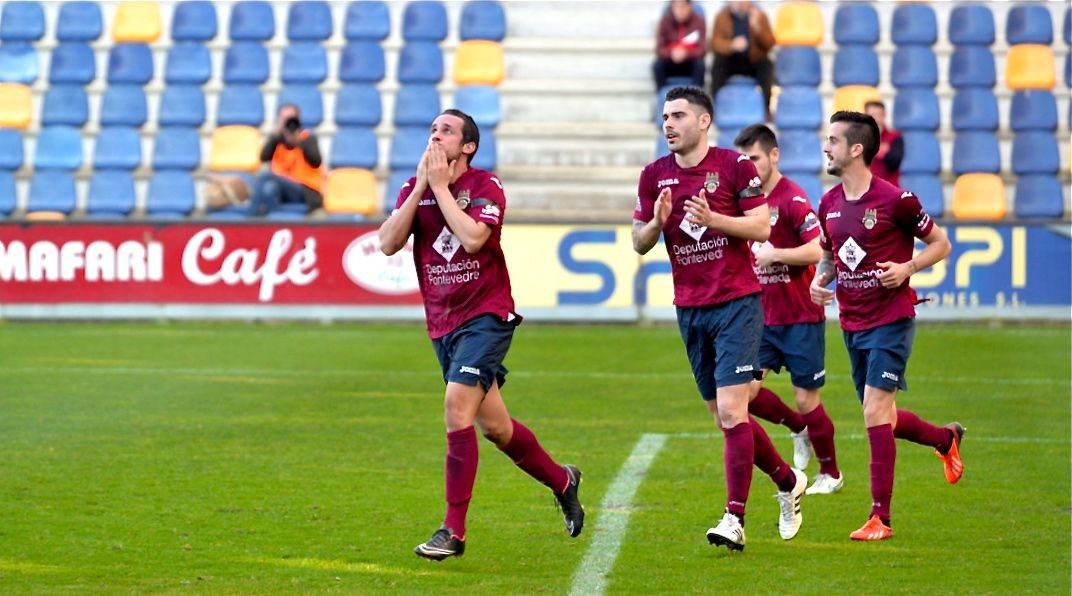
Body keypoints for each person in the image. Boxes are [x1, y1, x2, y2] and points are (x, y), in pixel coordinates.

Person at [378, 109, 584, 561]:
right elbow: (388, 243)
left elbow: (472, 238)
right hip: (442, 323)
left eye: (446, 131)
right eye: (431, 129)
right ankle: (563, 481)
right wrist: (419, 189)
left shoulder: (486, 187)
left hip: (487, 316)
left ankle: (453, 530)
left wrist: (438, 189)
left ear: (467, 146)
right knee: (496, 427)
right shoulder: (416, 190)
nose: (435, 136)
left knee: (456, 408)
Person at [633, 86, 806, 552]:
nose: (668, 124)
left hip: (737, 303)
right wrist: (655, 222)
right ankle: (788, 481)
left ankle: (734, 518)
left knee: (733, 411)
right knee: (726, 417)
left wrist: (714, 219)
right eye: (665, 116)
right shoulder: (654, 176)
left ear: (704, 121)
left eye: (678, 116)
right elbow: (638, 241)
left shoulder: (735, 167)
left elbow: (761, 227)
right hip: (689, 308)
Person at [811, 111, 963, 542]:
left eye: (833, 140)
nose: (826, 147)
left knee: (874, 412)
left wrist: (908, 267)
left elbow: (941, 243)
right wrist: (820, 283)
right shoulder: (828, 203)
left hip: (892, 319)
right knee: (884, 417)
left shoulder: (898, 200)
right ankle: (945, 439)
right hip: (852, 322)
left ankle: (881, 518)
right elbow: (829, 255)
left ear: (856, 149)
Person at [733, 124, 844, 495]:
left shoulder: (792, 199)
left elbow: (816, 251)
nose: (748, 166)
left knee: (806, 396)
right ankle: (797, 427)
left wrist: (775, 254)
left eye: (754, 158)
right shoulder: (744, 202)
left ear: (773, 156)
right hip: (760, 319)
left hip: (799, 316)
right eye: (743, 159)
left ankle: (831, 473)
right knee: (744, 393)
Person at [249, 104, 324, 216]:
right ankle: (273, 225)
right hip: (283, 189)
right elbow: (263, 158)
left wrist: (299, 143)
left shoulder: (308, 139)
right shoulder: (278, 140)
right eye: (284, 118)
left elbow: (316, 162)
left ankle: (250, 220)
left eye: (291, 118)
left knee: (265, 176)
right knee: (270, 189)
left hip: (306, 190)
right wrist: (275, 137)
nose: (288, 122)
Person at [710, 1, 775, 120]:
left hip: (752, 60)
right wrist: (732, 45)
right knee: (718, 64)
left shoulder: (760, 16)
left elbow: (769, 44)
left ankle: (766, 108)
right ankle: (714, 107)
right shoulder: (722, 17)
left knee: (766, 65)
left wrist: (757, 28)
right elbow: (715, 44)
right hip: (731, 60)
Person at [653, 0, 707, 90]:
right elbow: (659, 48)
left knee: (700, 65)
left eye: (683, 7)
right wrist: (672, 53)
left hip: (690, 62)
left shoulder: (698, 21)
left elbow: (702, 49)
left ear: (690, 7)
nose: (680, 11)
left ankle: (698, 96)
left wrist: (686, 53)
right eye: (676, 7)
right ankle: (661, 95)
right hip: (670, 62)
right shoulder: (665, 21)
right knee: (658, 65)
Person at [864, 100, 904, 187]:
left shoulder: (895, 137)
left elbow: (895, 163)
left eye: (879, 115)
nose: (876, 119)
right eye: (872, 115)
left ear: (884, 116)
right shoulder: (859, 140)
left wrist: (882, 151)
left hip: (888, 191)